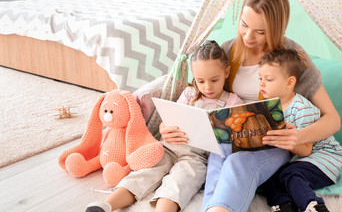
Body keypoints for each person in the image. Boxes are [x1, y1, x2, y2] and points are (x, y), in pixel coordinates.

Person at [160, 0, 341, 212]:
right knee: (218, 160)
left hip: (272, 142)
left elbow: (333, 118)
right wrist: (169, 125)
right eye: (244, 25)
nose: (248, 36)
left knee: (238, 162)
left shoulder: (291, 58)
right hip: (229, 138)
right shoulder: (227, 51)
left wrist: (297, 137)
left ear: (276, 28)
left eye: (260, 31)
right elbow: (197, 94)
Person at [85, 40, 244, 212]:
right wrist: (163, 128)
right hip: (170, 147)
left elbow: (239, 136)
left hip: (197, 157)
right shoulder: (189, 93)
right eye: (200, 81)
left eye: (214, 80)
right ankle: (107, 205)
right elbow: (169, 118)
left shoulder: (232, 101)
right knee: (144, 174)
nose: (207, 87)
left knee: (178, 184)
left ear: (226, 72)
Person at [258, 49, 342, 212]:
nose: (261, 84)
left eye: (268, 79)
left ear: (290, 82)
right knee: (270, 175)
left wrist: (283, 140)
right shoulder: (271, 108)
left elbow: (306, 150)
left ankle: (312, 205)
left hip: (324, 158)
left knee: (291, 175)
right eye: (260, 78)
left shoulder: (301, 108)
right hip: (300, 159)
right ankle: (282, 205)